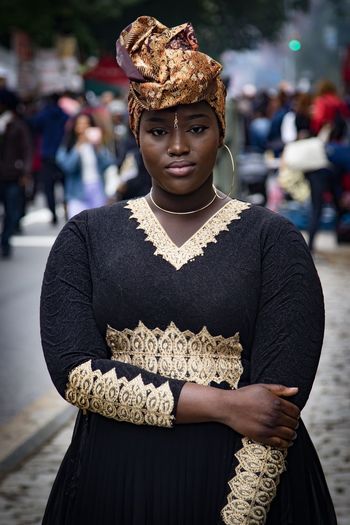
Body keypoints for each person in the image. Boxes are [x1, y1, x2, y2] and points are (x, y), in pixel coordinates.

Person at [40, 16, 337, 525]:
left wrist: (241, 515)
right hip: (109, 487)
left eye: (197, 128)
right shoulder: (86, 236)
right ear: (137, 134)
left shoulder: (273, 241)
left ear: (221, 129)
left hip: (244, 489)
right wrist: (223, 405)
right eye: (158, 130)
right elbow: (75, 375)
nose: (178, 146)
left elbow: (276, 410)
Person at [56, 112, 114, 219]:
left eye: (86, 124)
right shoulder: (69, 145)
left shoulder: (95, 145)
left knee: (97, 223)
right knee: (77, 224)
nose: (83, 127)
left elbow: (109, 162)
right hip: (76, 192)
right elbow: (68, 167)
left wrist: (98, 147)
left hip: (97, 189)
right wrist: (78, 147)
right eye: (80, 124)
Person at [0, 88, 32, 257]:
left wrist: (25, 173)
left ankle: (5, 240)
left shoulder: (17, 125)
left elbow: (27, 150)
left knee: (11, 211)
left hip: (13, 175)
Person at [28, 93, 69, 224]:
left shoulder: (44, 115)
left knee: (49, 188)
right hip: (62, 154)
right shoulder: (64, 115)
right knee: (65, 187)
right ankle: (67, 212)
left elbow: (34, 125)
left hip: (47, 155)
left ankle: (53, 214)